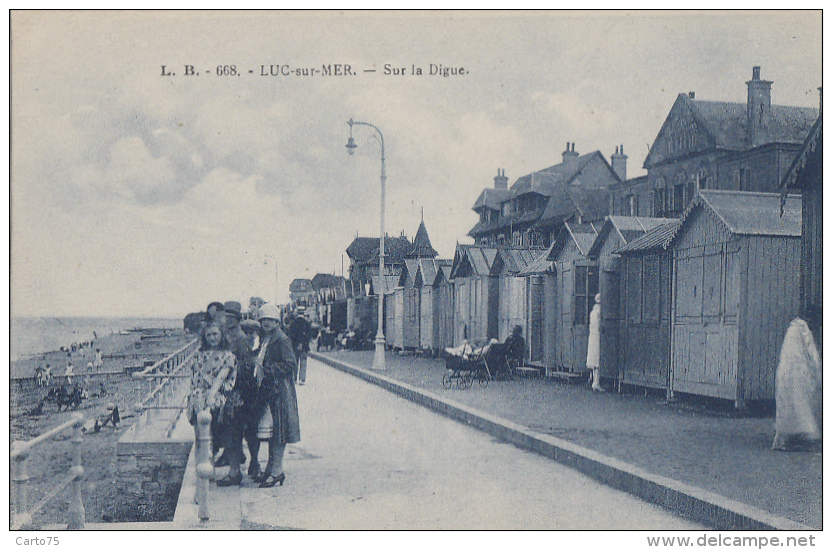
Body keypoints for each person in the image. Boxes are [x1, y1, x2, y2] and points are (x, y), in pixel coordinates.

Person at [251, 303, 300, 488]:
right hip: (270, 390)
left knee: (278, 433)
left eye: (270, 320)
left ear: (277, 321)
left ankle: (277, 471)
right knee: (272, 432)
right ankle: (271, 470)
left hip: (279, 391)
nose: (267, 323)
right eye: (264, 320)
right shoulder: (268, 338)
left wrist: (267, 369)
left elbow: (290, 364)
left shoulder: (281, 339)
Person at [186, 321, 239, 483]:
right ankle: (206, 470)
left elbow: (222, 377)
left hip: (219, 397)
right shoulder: (198, 355)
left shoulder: (228, 355)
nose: (212, 338)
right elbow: (194, 379)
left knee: (222, 435)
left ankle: (231, 470)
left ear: (222, 334)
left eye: (215, 334)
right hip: (199, 397)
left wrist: (211, 396)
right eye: (209, 335)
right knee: (202, 436)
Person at [772, 317, 822, 451]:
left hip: (785, 374)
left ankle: (782, 438)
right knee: (802, 405)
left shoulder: (791, 329)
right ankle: (806, 434)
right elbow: (813, 354)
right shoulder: (805, 330)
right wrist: (819, 372)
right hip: (800, 375)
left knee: (786, 405)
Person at [289, 310, 312, 385]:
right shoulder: (307, 323)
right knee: (303, 362)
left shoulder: (293, 323)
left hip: (294, 346)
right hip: (304, 347)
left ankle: (294, 378)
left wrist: (296, 343)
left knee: (295, 362)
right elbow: (309, 336)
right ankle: (302, 379)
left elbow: (291, 335)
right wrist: (303, 343)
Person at [587, 293, 603, 392]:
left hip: (592, 336)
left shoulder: (592, 312)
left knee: (593, 359)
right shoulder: (599, 312)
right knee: (597, 360)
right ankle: (596, 382)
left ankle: (593, 379)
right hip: (597, 336)